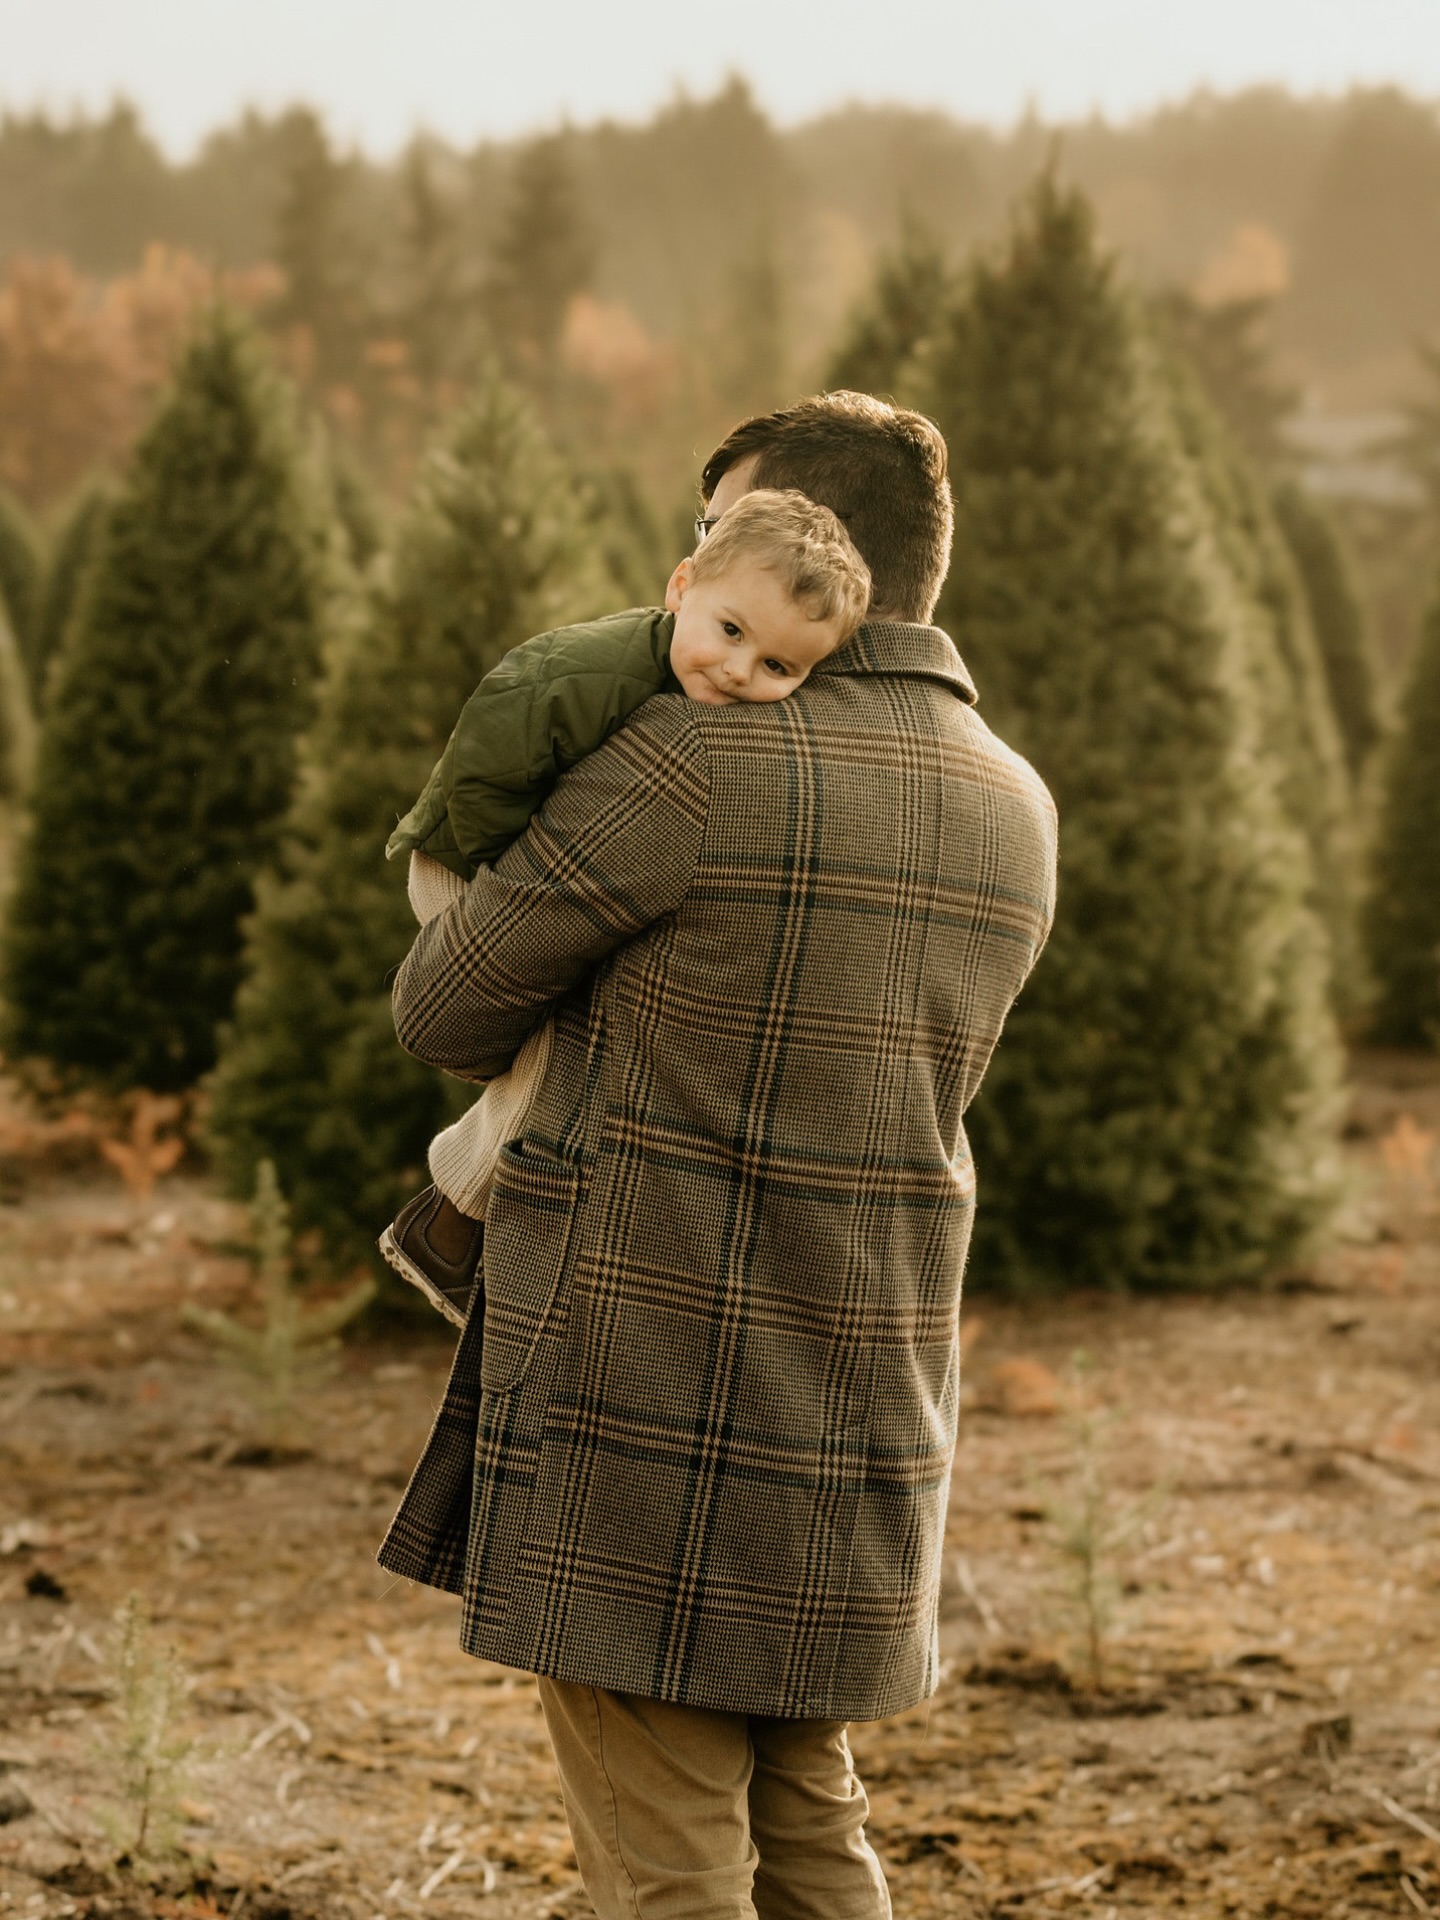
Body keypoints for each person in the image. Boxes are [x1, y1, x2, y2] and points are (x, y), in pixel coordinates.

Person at [379, 391, 1058, 1920]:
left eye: (716, 533)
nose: (691, 581)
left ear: (816, 544)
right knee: (811, 1820)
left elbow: (444, 1002)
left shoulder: (698, 760)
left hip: (649, 1404)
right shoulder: (1018, 804)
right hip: (866, 1394)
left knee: (666, 1867)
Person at [378, 489, 871, 1326]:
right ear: (682, 586)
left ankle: (459, 1227)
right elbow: (487, 764)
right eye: (731, 631)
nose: (739, 672)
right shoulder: (589, 675)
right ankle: (453, 1222)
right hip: (469, 857)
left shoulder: (698, 698)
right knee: (567, 1041)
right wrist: (512, 874)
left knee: (590, 1029)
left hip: (531, 863)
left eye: (779, 668)